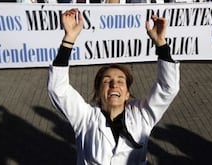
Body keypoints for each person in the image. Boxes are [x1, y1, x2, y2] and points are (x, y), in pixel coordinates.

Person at [47, 9, 180, 164]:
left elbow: (168, 88)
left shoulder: (142, 116)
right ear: (97, 92)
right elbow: (58, 89)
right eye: (106, 81)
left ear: (127, 94)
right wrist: (69, 38)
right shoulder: (85, 118)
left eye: (121, 81)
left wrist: (161, 44)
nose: (114, 84)